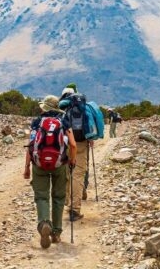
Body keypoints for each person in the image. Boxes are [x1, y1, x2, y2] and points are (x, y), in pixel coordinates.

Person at [23, 95, 76, 248]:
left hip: (39, 164)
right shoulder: (64, 121)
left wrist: (27, 167)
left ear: (44, 108)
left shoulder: (37, 122)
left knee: (41, 196)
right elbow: (72, 145)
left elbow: (31, 146)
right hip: (60, 164)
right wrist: (72, 160)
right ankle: (57, 233)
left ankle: (44, 223)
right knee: (58, 197)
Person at [59, 84, 91, 221]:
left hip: (65, 144)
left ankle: (67, 202)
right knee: (77, 176)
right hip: (81, 143)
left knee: (67, 174)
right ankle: (75, 210)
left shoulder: (62, 107)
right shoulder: (82, 106)